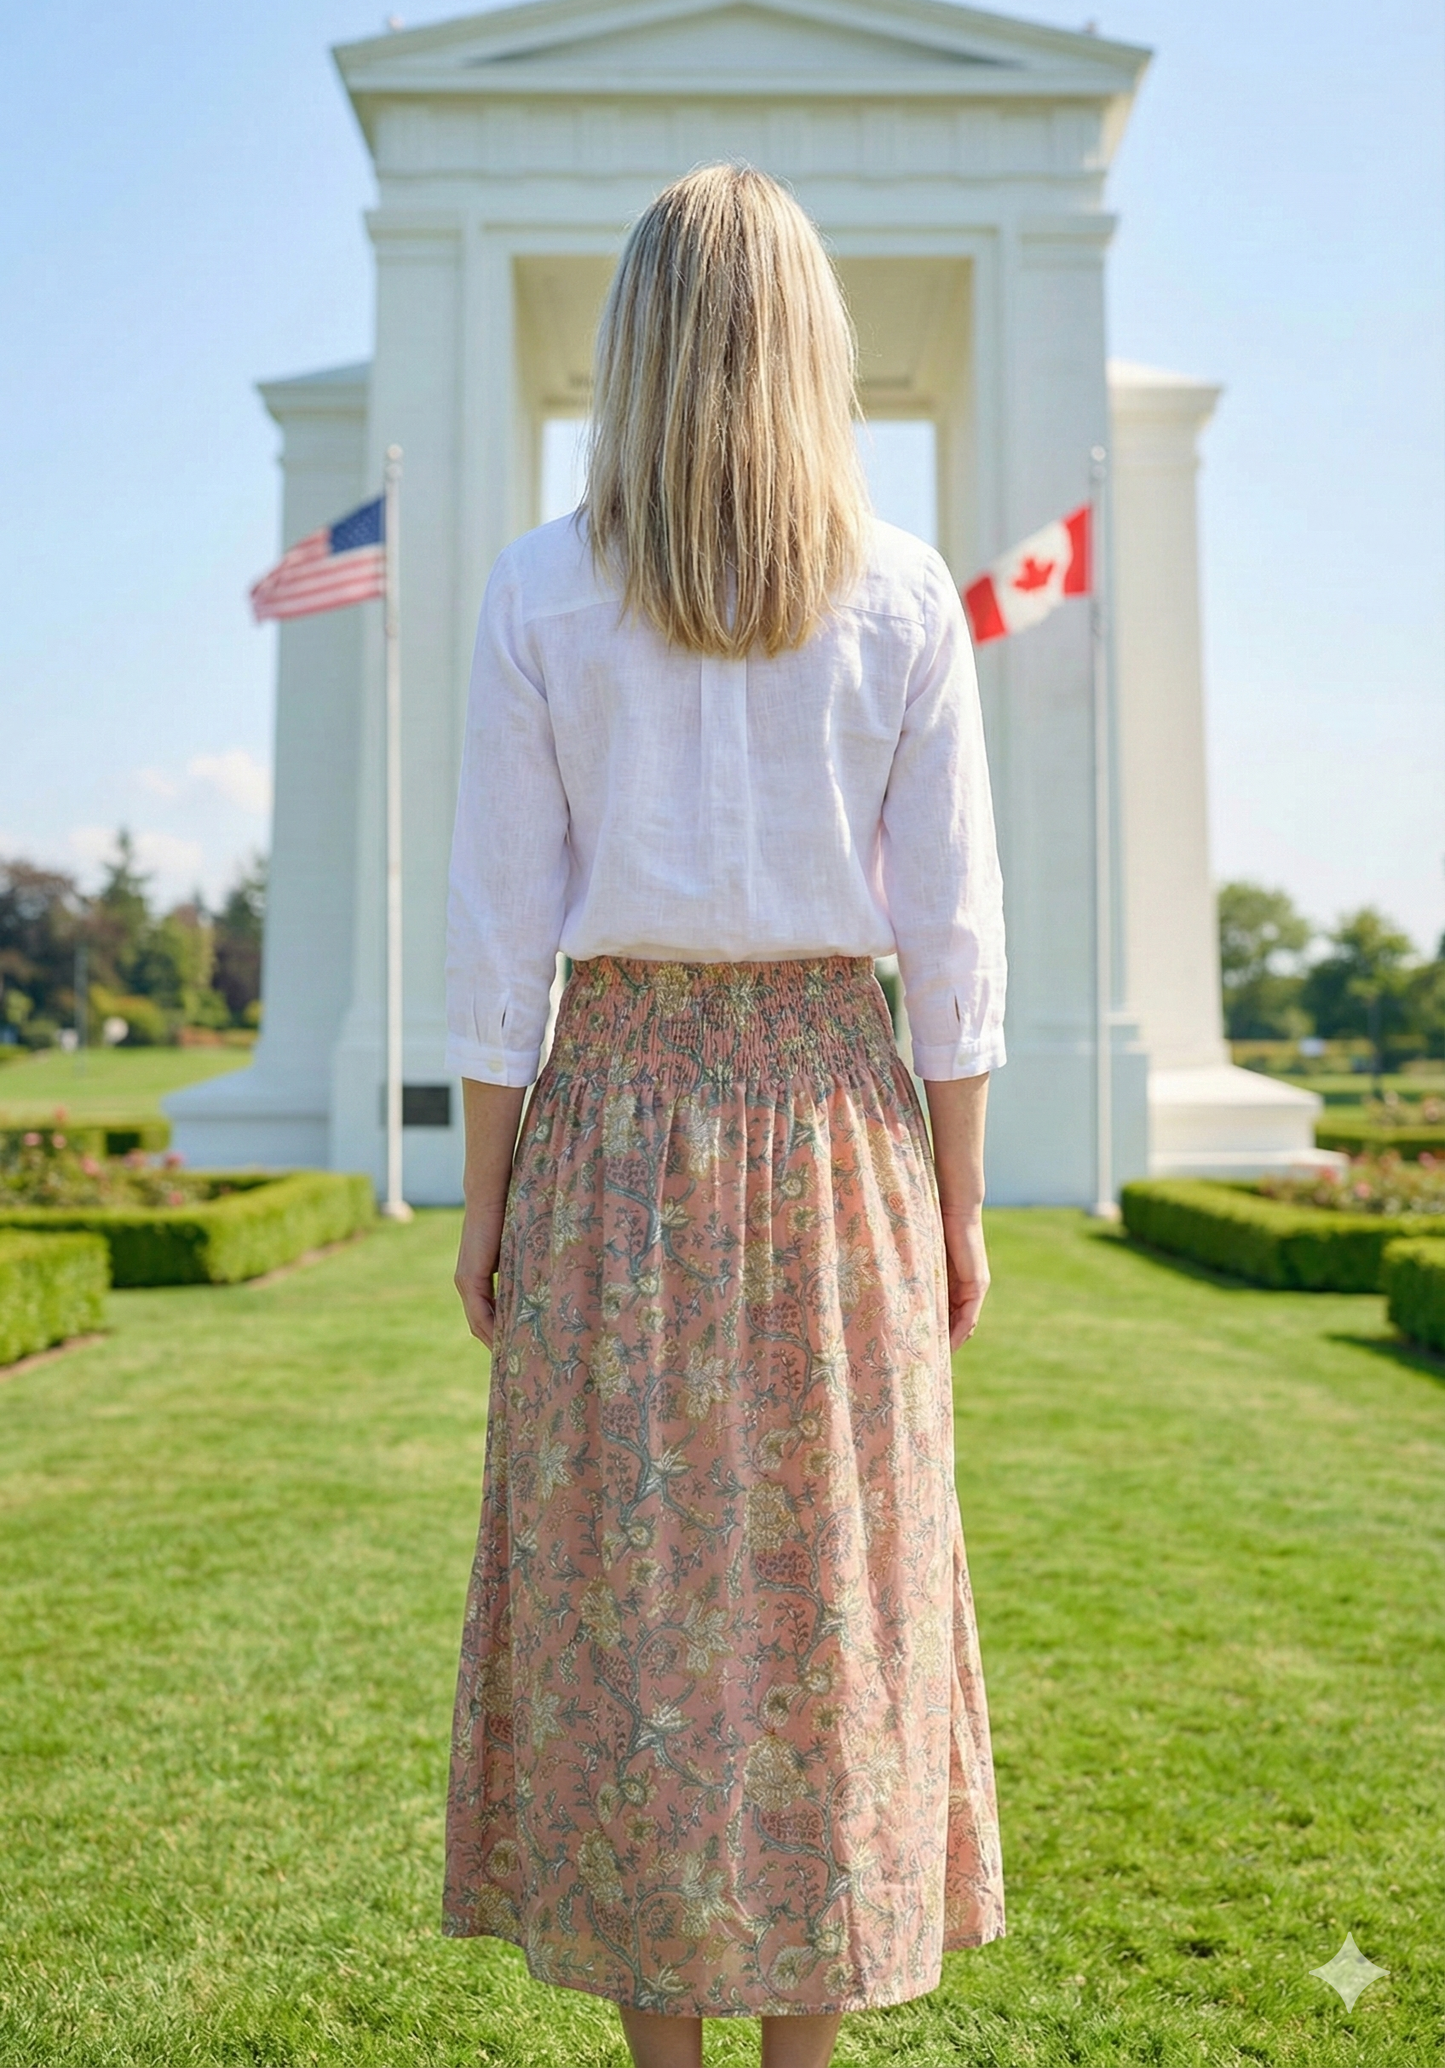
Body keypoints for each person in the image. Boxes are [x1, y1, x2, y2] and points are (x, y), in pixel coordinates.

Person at [443, 162, 1007, 2068]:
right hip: (836, 1119)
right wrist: (962, 1198)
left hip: (611, 1123)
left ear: (635, 347)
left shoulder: (541, 586)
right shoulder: (902, 590)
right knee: (829, 1611)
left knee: (632, 1607)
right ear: (813, 345)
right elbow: (953, 938)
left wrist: (481, 1201)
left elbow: (497, 931)